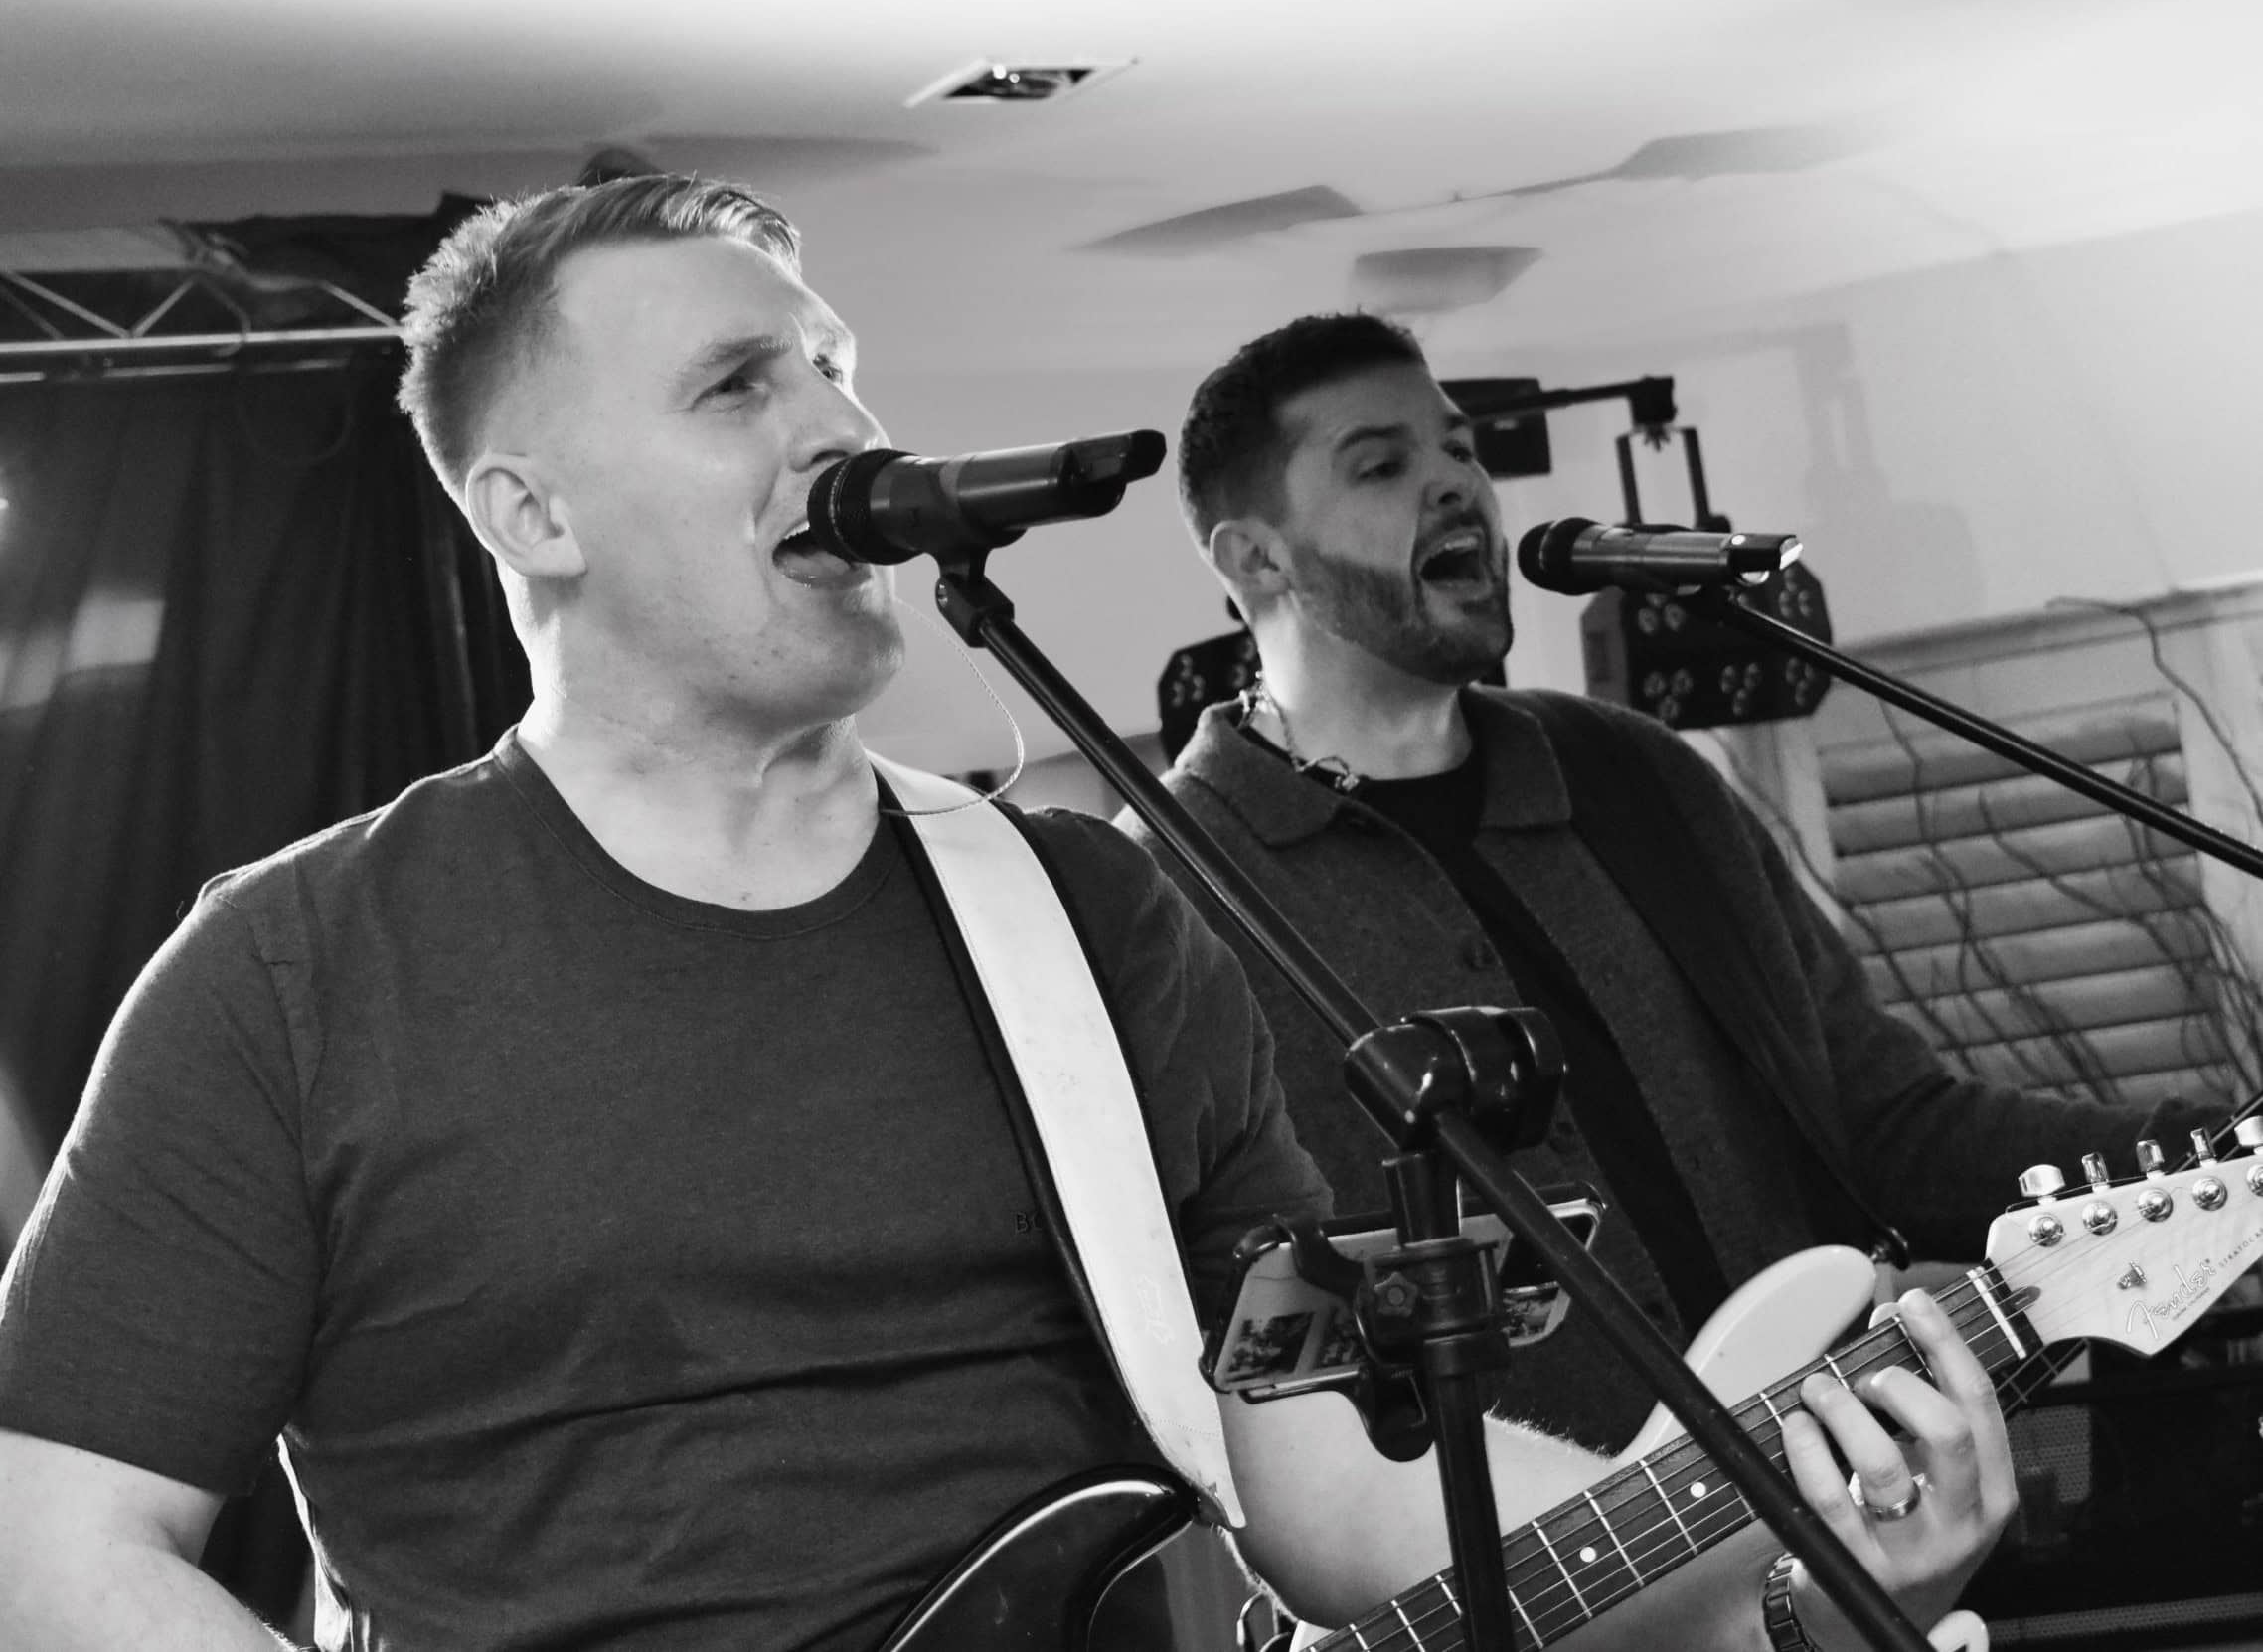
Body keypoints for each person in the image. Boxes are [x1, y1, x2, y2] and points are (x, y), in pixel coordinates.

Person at [0, 180, 2012, 1652]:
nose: (838, 427)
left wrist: (1778, 1549)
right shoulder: (291, 975)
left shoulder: (1083, 913)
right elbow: (54, 1546)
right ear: (530, 511)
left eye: (834, 366)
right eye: (737, 383)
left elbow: (1325, 1490)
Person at [1128, 311, 2200, 1460]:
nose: (1455, 484)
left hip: (1841, 1497)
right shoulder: (1164, 895)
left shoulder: (1632, 775)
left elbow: (1883, 1122)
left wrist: (2203, 1155)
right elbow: (1197, 1333)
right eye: (1381, 465)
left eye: (1460, 448)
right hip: (1531, 1559)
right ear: (1257, 559)